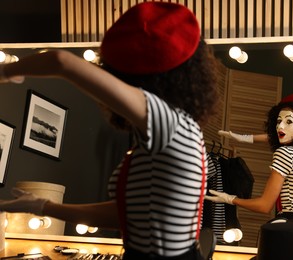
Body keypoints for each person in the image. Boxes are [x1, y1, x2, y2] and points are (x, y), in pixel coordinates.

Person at [0, 2, 219, 259]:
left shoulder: (171, 124)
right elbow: (125, 215)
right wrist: (43, 206)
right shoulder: (173, 132)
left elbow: (62, 61)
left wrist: (7, 71)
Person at [206, 94, 293, 221]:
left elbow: (264, 206)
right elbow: (277, 135)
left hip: (290, 228)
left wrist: (230, 199)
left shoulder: (285, 153)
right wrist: (245, 138)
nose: (280, 126)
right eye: (278, 121)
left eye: (288, 121)